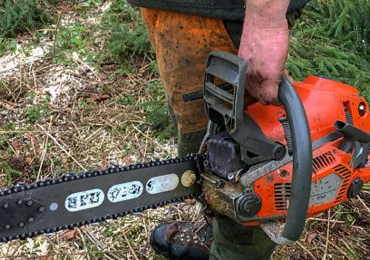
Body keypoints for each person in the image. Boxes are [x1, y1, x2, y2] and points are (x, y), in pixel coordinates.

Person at [126, 0, 309, 259]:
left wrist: (265, 19)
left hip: (224, 15)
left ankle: (235, 252)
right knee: (204, 145)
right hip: (179, 13)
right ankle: (220, 232)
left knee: (242, 166)